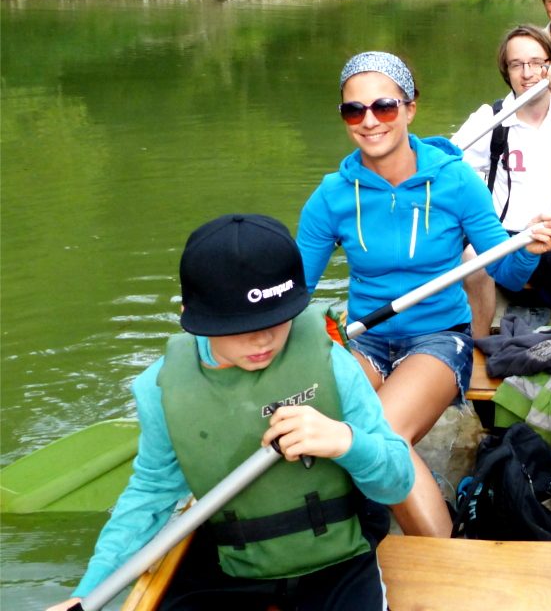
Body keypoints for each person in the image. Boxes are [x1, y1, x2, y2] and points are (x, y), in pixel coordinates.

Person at [47, 214, 415, 611]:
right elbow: (149, 499)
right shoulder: (159, 389)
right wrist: (84, 594)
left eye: (276, 319)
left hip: (337, 562)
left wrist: (347, 442)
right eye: (238, 325)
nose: (262, 338)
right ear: (190, 313)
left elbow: (395, 485)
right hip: (228, 570)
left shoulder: (332, 361)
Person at [297, 51, 551, 538]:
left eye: (383, 107)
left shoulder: (456, 180)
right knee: (327, 430)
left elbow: (505, 272)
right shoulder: (331, 196)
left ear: (410, 108)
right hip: (363, 337)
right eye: (353, 111)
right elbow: (295, 288)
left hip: (439, 338)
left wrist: (530, 245)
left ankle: (445, 550)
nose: (368, 122)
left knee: (380, 436)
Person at [453, 25, 551, 337]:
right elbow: (448, 169)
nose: (528, 73)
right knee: (471, 258)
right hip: (502, 234)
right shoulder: (490, 118)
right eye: (516, 64)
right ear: (506, 72)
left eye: (537, 63)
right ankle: (475, 350)